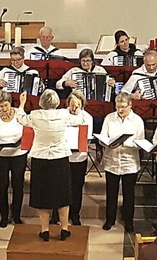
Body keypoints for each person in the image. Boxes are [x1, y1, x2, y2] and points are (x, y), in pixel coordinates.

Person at [15, 89, 84, 241]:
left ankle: (45, 230)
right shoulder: (63, 114)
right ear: (57, 102)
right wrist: (77, 108)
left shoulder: (35, 115)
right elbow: (79, 120)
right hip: (60, 158)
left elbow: (20, 118)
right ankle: (64, 228)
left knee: (42, 194)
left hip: (41, 158)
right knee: (63, 193)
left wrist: (22, 104)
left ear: (41, 102)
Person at [100, 92, 145, 232]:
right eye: (118, 107)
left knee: (128, 194)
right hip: (112, 161)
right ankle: (110, 219)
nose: (120, 110)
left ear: (130, 106)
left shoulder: (137, 120)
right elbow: (103, 137)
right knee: (111, 193)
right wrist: (107, 143)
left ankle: (128, 221)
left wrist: (126, 143)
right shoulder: (109, 118)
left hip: (129, 162)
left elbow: (140, 142)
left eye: (123, 107)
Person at [0, 90, 28, 228]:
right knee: (2, 186)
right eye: (0, 106)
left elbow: (28, 130)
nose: (4, 108)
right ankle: (4, 216)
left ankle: (16, 215)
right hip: (0, 156)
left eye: (6, 105)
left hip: (18, 154)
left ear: (11, 102)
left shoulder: (19, 113)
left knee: (18, 185)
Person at [51, 90, 94, 226]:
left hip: (79, 157)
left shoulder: (87, 117)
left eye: (77, 105)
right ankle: (55, 216)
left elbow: (87, 138)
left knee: (76, 187)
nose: (74, 108)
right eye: (72, 105)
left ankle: (75, 215)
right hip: (62, 156)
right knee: (58, 187)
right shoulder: (61, 114)